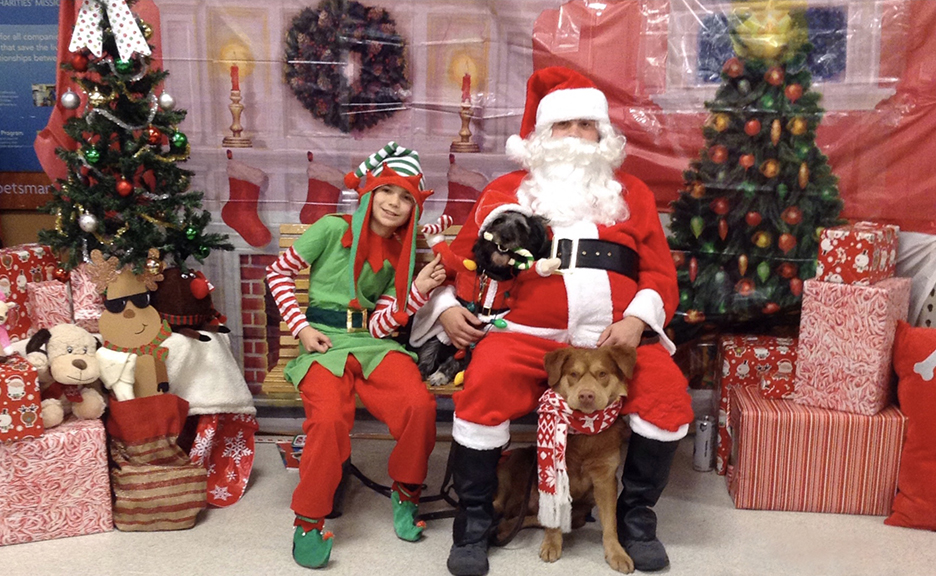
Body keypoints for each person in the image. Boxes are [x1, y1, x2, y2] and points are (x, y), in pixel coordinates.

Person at [411, 67, 695, 576]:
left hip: (611, 341)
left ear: (603, 135)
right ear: (542, 137)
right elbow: (460, 260)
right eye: (564, 126)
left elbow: (659, 272)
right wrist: (448, 307)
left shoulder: (631, 193)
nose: (576, 137)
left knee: (668, 396)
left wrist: (637, 320)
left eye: (587, 125)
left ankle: (635, 519)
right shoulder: (504, 191)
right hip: (523, 335)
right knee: (484, 388)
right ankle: (475, 523)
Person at [266, 142, 446, 569]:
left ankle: (406, 495)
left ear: (414, 209)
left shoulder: (400, 253)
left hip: (370, 343)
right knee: (328, 419)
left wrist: (416, 289)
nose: (394, 203)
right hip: (322, 342)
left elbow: (382, 324)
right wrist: (302, 328)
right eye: (387, 191)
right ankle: (309, 520)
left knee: (418, 404)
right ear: (369, 191)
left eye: (406, 198)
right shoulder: (331, 228)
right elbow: (278, 272)